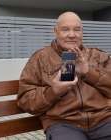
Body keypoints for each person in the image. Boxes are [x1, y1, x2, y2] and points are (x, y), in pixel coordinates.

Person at [17, 12, 111, 140]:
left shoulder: (100, 56)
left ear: (82, 31)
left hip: (104, 120)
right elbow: (25, 100)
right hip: (64, 124)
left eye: (76, 30)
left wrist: (88, 74)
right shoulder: (39, 59)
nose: (71, 35)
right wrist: (53, 92)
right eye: (65, 29)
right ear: (56, 32)